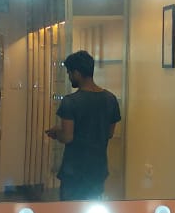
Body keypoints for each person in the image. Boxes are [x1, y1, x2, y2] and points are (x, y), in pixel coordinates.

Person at [46, 50, 121, 201]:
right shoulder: (110, 99)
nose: (69, 77)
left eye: (69, 73)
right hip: (98, 169)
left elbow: (67, 137)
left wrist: (56, 132)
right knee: (92, 209)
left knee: (70, 211)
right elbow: (109, 133)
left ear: (77, 73)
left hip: (74, 170)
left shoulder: (70, 101)